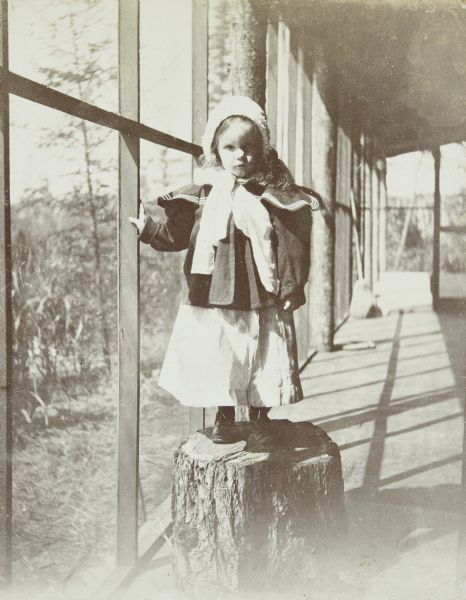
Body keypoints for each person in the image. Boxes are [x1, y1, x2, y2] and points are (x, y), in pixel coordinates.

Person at [129, 95, 319, 443]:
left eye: (248, 146)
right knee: (220, 351)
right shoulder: (204, 195)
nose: (240, 155)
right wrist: (149, 230)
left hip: (260, 290)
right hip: (214, 291)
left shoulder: (272, 195)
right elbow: (178, 234)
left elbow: (292, 242)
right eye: (230, 147)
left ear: (261, 150)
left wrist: (292, 286)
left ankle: (261, 417)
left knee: (262, 350)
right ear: (216, 151)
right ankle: (225, 416)